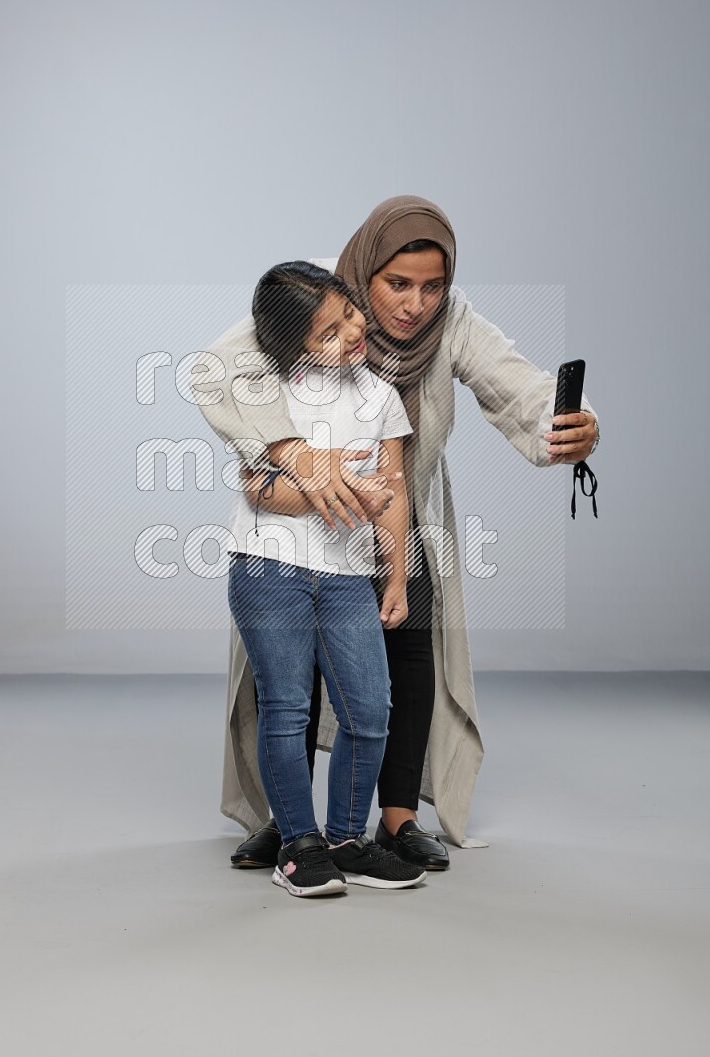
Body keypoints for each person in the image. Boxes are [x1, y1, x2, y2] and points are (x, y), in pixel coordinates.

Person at [193, 195, 599, 868]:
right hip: (291, 522)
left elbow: (518, 384)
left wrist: (571, 421)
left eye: (433, 286)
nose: (416, 305)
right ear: (361, 276)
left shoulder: (450, 323)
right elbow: (217, 369)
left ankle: (397, 817)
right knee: (290, 679)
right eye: (397, 285)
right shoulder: (311, 294)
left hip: (398, 511)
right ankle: (287, 821)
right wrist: (290, 455)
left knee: (405, 655)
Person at [222, 259, 427, 897]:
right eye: (327, 334)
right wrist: (332, 491)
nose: (350, 335)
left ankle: (345, 838)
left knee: (370, 710)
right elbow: (258, 488)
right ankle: (298, 847)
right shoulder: (268, 396)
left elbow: (393, 495)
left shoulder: (380, 396)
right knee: (285, 709)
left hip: (347, 576)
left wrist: (395, 576)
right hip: (268, 568)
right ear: (293, 347)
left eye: (348, 316)